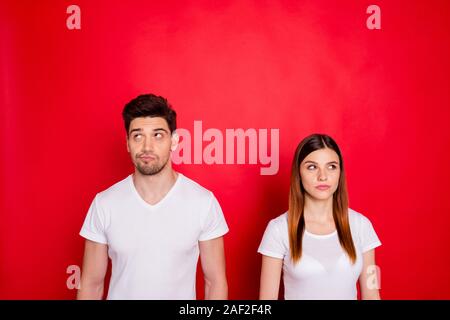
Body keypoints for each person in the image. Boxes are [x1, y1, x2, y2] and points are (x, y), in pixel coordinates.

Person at [77, 94, 229, 300]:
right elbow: (91, 285)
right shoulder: (105, 203)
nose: (147, 147)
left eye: (158, 135)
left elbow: (215, 283)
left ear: (174, 141)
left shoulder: (202, 202)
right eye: (138, 136)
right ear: (128, 143)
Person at [258, 133, 381, 300]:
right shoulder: (278, 229)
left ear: (340, 172)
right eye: (312, 167)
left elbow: (372, 294)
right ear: (298, 173)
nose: (323, 176)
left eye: (331, 166)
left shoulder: (361, 225)